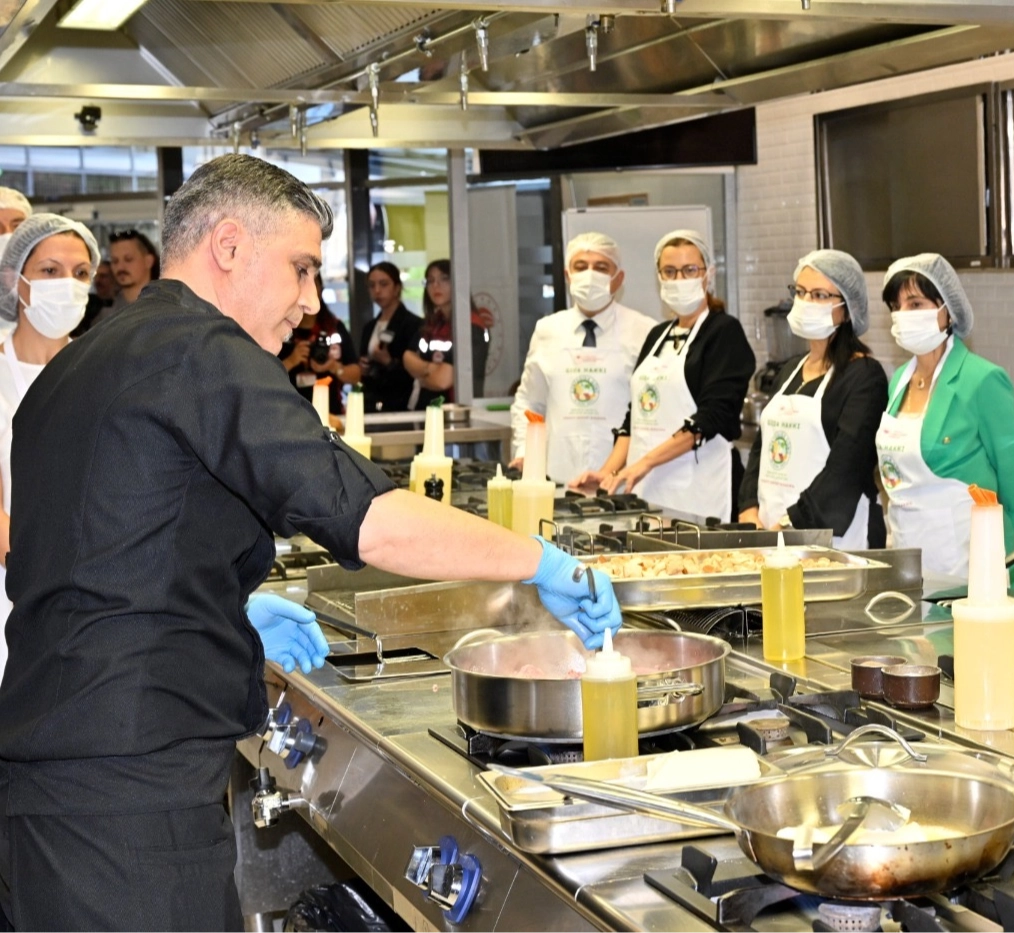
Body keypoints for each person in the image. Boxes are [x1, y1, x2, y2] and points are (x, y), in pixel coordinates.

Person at [0, 154, 619, 933]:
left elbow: (96, 542)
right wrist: (539, 562)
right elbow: (371, 517)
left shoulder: (82, 361)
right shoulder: (201, 350)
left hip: (47, 784)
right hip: (126, 800)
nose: (309, 300)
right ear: (228, 245)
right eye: (299, 269)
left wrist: (220, 607)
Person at [571, 230, 755, 522]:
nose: (679, 279)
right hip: (649, 490)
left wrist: (644, 463)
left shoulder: (723, 332)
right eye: (670, 271)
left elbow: (711, 418)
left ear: (708, 275)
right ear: (660, 278)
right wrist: (608, 473)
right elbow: (636, 418)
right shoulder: (658, 335)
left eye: (689, 270)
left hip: (700, 489)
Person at [877, 253, 1014, 587]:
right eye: (897, 306)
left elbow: (1013, 465)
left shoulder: (981, 379)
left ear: (946, 310)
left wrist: (1010, 528)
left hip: (966, 557)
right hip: (908, 550)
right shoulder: (898, 381)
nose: (903, 315)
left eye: (916, 304)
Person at [0, 215, 99, 681]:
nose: (68, 285)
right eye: (50, 271)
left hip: (98, 597)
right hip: (11, 589)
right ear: (14, 281)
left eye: (80, 274)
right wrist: (43, 571)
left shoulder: (105, 370)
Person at [737, 250, 887, 547]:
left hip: (831, 542)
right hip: (768, 533)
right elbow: (760, 450)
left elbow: (846, 469)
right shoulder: (791, 369)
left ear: (847, 309)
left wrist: (788, 525)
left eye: (819, 295)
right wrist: (749, 510)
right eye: (801, 292)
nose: (806, 302)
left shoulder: (864, 377)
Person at [510, 232, 652, 481]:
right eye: (580, 267)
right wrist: (525, 451)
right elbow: (530, 403)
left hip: (622, 479)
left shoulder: (644, 331)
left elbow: (650, 409)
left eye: (601, 267)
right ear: (568, 276)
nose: (589, 275)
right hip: (556, 473)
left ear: (618, 279)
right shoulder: (547, 330)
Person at [279, 274, 361, 416]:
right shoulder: (283, 328)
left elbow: (356, 376)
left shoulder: (334, 327)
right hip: (290, 416)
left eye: (313, 284)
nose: (308, 290)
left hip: (332, 414)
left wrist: (334, 367)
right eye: (302, 284)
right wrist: (292, 360)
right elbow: (263, 376)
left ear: (321, 288)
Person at [359, 261, 421, 413]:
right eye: (372, 285)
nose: (377, 290)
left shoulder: (413, 324)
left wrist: (389, 362)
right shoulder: (369, 327)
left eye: (384, 284)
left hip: (401, 403)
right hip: (371, 402)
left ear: (397, 287)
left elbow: (416, 372)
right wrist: (363, 367)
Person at [403, 259, 457, 409]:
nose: (435, 286)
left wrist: (422, 377)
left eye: (444, 279)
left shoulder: (465, 325)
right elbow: (407, 357)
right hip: (423, 407)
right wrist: (430, 368)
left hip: (452, 408)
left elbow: (442, 381)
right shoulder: (431, 323)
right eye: (430, 280)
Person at [107, 228, 160, 312]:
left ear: (148, 261)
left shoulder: (167, 307)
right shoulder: (106, 314)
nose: (120, 267)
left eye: (128, 259)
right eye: (115, 261)